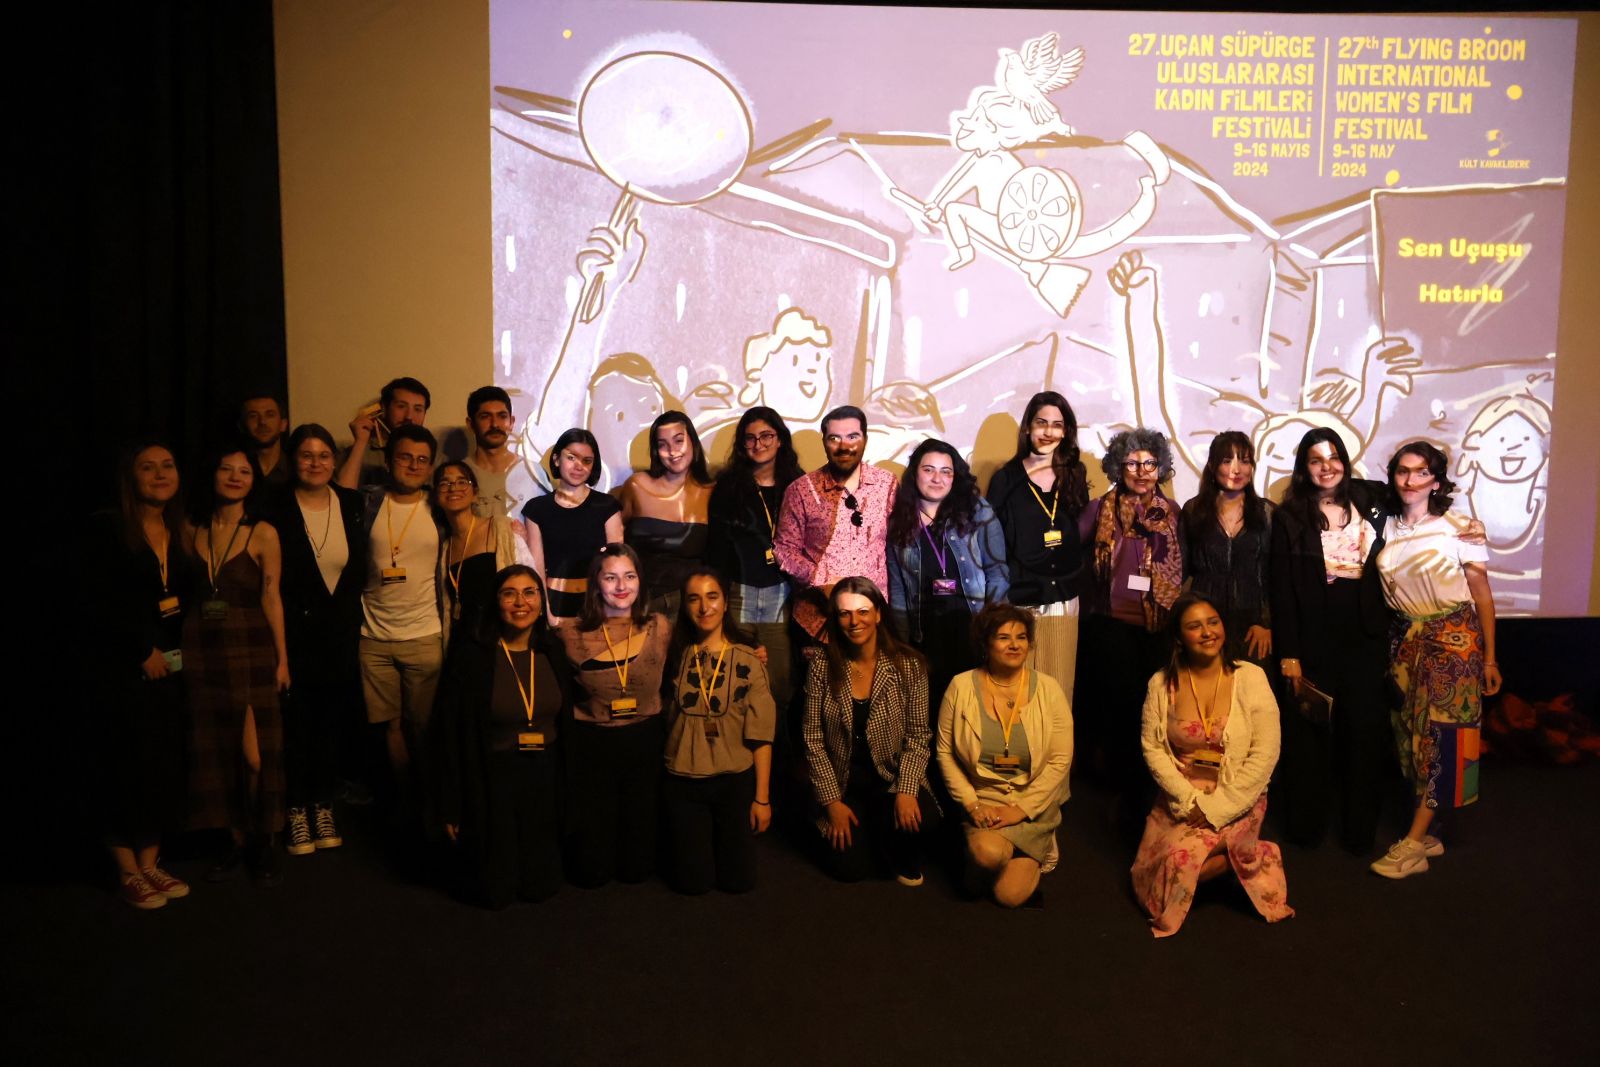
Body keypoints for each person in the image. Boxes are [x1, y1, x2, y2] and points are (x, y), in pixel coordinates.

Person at [1370, 442, 1502, 879]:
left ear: (1437, 482)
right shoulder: (1385, 524)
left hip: (1453, 643)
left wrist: (1490, 659)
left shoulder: (1459, 527)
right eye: (1402, 471)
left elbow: (1482, 596)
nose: (1411, 480)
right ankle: (1428, 831)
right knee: (1408, 736)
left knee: (1441, 739)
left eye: (1422, 472)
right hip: (1405, 642)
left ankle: (1412, 843)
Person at [1130, 593, 1294, 936]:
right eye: (1194, 626)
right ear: (1179, 638)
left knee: (1179, 864)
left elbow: (1265, 753)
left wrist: (1218, 807)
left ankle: (1252, 852)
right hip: (1183, 796)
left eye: (1213, 622)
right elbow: (1152, 748)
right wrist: (1188, 799)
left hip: (1238, 794)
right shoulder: (1161, 684)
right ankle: (1242, 856)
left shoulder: (1251, 677)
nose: (1207, 632)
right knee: (1148, 883)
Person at [1268, 427, 1395, 853]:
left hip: (1365, 638)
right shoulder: (1289, 517)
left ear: (1345, 459)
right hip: (1313, 641)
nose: (1327, 467)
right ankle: (1306, 827)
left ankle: (1360, 833)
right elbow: (1282, 590)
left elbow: (1420, 502)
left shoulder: (1372, 498)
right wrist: (1289, 654)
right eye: (1316, 460)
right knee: (1309, 739)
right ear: (1304, 468)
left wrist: (1461, 524)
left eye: (1334, 457)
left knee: (1364, 738)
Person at [184, 442, 291, 886]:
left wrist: (283, 659)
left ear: (253, 481)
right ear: (212, 474)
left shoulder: (262, 532)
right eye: (226, 469)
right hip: (201, 649)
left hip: (251, 645)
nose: (234, 477)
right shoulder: (190, 528)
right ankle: (234, 840)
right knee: (217, 750)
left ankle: (262, 840)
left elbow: (272, 596)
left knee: (254, 754)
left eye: (243, 471)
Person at [96, 441, 195, 909]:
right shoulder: (109, 529)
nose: (160, 473)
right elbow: (95, 601)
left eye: (168, 465)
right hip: (121, 669)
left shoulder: (180, 532)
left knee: (161, 765)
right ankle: (128, 870)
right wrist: (140, 650)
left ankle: (151, 862)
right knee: (123, 767)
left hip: (170, 669)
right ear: (130, 477)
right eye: (148, 467)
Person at [261, 424, 366, 858]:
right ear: (293, 460)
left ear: (334, 462)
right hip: (294, 636)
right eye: (306, 455)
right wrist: (280, 654)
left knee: (330, 726)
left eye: (324, 455)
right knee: (296, 727)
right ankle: (296, 809)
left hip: (340, 637)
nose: (316, 463)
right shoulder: (274, 507)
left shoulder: (352, 503)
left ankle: (322, 805)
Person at [437, 566, 567, 907]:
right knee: (496, 892)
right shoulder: (473, 657)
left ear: (541, 600)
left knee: (541, 887)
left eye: (529, 592)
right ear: (496, 602)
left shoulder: (553, 650)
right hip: (493, 776)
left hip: (544, 774)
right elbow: (450, 733)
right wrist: (452, 804)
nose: (520, 602)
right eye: (509, 593)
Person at [803, 578, 939, 885]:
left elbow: (919, 736)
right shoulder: (821, 666)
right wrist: (832, 803)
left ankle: (890, 837)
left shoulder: (909, 665)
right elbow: (812, 740)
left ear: (878, 614)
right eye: (845, 613)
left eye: (863, 611)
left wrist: (907, 790)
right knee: (849, 870)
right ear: (836, 619)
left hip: (890, 778)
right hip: (845, 783)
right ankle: (872, 836)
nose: (854, 621)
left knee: (922, 818)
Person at [936, 604, 1073, 908]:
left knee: (1009, 897)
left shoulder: (1049, 689)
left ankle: (1033, 842)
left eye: (1021, 637)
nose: (1014, 645)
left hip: (1032, 803)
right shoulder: (960, 686)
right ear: (985, 643)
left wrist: (1023, 808)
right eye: (1003, 637)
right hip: (985, 801)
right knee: (988, 856)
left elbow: (1060, 760)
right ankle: (985, 852)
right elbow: (945, 753)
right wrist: (972, 803)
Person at [555, 544, 672, 886]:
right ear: (596, 583)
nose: (621, 586)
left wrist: (751, 647)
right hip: (593, 744)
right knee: (591, 871)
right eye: (611, 577)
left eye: (629, 576)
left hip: (645, 739)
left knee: (638, 868)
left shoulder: (660, 627)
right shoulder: (569, 633)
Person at [1077, 428, 1184, 795]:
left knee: (1153, 712)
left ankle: (1148, 788)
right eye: (1132, 463)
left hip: (1158, 628)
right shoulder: (1100, 509)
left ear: (1161, 467)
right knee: (1119, 713)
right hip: (1110, 627)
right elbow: (1068, 553)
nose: (1142, 471)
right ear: (1118, 467)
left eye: (1150, 463)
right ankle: (1120, 793)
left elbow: (1183, 564)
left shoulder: (1172, 512)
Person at [661, 569, 778, 894]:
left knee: (739, 882)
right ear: (685, 606)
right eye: (694, 599)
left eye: (712, 597)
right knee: (692, 884)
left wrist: (762, 798)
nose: (704, 607)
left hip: (733, 779)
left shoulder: (749, 659)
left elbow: (761, 735)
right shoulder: (674, 655)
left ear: (726, 603)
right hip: (684, 778)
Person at [355, 423, 443, 827]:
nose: (413, 465)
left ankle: (430, 804)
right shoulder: (369, 502)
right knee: (389, 727)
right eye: (405, 457)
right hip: (373, 637)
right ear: (389, 461)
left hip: (425, 635)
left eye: (422, 460)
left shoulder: (439, 506)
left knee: (422, 727)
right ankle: (406, 802)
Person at [887, 438, 1009, 718]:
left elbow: (998, 574)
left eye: (946, 471)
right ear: (915, 473)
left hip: (972, 630)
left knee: (972, 714)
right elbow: (898, 589)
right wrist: (903, 644)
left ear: (956, 477)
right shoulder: (900, 520)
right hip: (924, 635)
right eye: (928, 470)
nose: (937, 479)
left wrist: (992, 629)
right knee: (929, 714)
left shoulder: (977, 512)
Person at [986, 391, 1090, 699]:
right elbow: (993, 543)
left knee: (1058, 691)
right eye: (1041, 423)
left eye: (1057, 425)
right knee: (1018, 692)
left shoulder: (1074, 475)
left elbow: (1079, 535)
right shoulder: (1006, 478)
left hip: (1063, 597)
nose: (1048, 432)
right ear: (1028, 427)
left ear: (1066, 431)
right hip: (1021, 599)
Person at [773, 406, 897, 643]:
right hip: (818, 621)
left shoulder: (887, 485)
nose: (844, 446)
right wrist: (821, 581)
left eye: (852, 436)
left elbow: (899, 546)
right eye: (834, 438)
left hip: (874, 619)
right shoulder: (801, 490)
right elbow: (784, 550)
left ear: (865, 439)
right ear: (824, 442)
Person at [707, 407, 803, 711]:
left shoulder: (798, 485)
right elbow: (717, 549)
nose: (758, 444)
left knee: (780, 683)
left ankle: (776, 742)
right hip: (739, 592)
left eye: (766, 436)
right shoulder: (728, 487)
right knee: (737, 680)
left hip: (782, 594)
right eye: (750, 438)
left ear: (780, 439)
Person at [1182, 431, 1274, 667]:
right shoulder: (1193, 511)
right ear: (1212, 466)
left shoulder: (1268, 513)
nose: (1237, 469)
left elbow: (1277, 574)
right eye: (1227, 461)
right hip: (1206, 624)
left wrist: (1266, 623)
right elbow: (1180, 570)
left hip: (1254, 627)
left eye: (1244, 461)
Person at [520, 427, 624, 622]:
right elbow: (537, 569)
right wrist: (548, 613)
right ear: (556, 459)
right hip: (555, 605)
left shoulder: (607, 506)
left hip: (599, 605)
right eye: (571, 457)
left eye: (587, 461)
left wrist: (609, 611)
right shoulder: (536, 509)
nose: (579, 466)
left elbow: (616, 565)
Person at [618, 410, 713, 618]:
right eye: (663, 444)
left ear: (693, 442)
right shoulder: (637, 486)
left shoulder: (712, 492)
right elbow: (614, 543)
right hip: (642, 604)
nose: (672, 451)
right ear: (655, 450)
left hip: (692, 609)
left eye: (679, 441)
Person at [432, 461, 532, 651]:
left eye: (462, 482)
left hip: (502, 641)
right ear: (436, 495)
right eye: (445, 483)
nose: (453, 488)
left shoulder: (501, 528)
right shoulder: (445, 547)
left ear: (475, 493)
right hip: (462, 643)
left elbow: (531, 582)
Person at [336, 376, 431, 490]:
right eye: (401, 406)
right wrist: (360, 442)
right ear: (384, 409)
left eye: (418, 409)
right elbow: (341, 496)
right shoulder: (362, 452)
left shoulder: (432, 455)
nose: (409, 416)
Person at [463, 385, 520, 518]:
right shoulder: (460, 475)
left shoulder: (531, 473)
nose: (495, 424)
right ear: (470, 424)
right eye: (485, 416)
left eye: (502, 416)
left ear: (512, 422)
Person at [239, 392, 289, 487]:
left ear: (283, 424)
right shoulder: (233, 472)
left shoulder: (297, 471)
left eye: (270, 415)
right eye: (253, 416)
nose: (262, 422)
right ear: (241, 426)